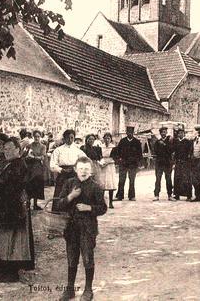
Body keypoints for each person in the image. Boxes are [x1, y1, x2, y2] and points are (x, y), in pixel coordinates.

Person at [0, 137, 35, 282]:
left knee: (14, 240)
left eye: (9, 149)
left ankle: (12, 273)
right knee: (6, 239)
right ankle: (5, 269)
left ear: (18, 150)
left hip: (15, 206)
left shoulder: (19, 164)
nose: (6, 152)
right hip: (8, 205)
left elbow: (13, 186)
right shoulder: (11, 164)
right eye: (4, 149)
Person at [57, 156, 107, 301]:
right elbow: (59, 204)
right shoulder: (69, 183)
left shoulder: (96, 187)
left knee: (87, 258)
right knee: (72, 258)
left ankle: (88, 290)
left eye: (86, 169)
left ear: (91, 171)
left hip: (88, 228)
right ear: (75, 170)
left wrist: (89, 208)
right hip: (71, 228)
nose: (83, 172)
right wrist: (71, 196)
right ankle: (70, 289)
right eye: (80, 169)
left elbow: (103, 208)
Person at [50, 129, 86, 211]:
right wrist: (61, 170)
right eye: (67, 138)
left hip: (74, 174)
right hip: (62, 174)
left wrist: (77, 169)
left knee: (74, 193)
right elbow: (52, 165)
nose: (70, 140)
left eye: (72, 138)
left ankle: (73, 213)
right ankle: (58, 212)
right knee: (60, 194)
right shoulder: (58, 150)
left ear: (74, 138)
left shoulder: (78, 150)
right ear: (64, 138)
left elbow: (85, 161)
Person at [114, 125, 143, 201]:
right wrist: (119, 160)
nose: (130, 133)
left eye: (131, 132)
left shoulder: (137, 142)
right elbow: (118, 152)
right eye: (128, 132)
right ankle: (120, 196)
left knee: (132, 180)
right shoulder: (122, 141)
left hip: (133, 164)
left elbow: (140, 153)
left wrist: (139, 163)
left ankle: (132, 196)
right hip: (123, 164)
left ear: (133, 133)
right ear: (126, 133)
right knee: (121, 180)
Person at [25, 129, 46, 210]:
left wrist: (33, 157)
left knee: (37, 185)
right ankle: (28, 204)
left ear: (40, 137)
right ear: (33, 137)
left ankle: (35, 204)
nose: (37, 138)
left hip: (37, 169)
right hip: (30, 168)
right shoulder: (29, 145)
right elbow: (25, 156)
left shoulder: (43, 146)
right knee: (29, 185)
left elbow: (42, 157)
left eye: (38, 136)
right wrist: (28, 157)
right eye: (35, 136)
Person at [97, 132, 118, 208]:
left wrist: (108, 162)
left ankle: (111, 202)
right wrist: (100, 163)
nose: (107, 140)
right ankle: (101, 202)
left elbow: (115, 158)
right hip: (102, 166)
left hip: (110, 166)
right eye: (105, 138)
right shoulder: (100, 147)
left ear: (110, 139)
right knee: (102, 184)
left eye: (108, 138)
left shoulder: (113, 147)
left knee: (110, 184)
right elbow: (99, 156)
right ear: (103, 139)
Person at [153, 127, 174, 201]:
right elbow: (155, 152)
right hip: (159, 163)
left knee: (168, 179)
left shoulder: (170, 141)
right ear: (160, 133)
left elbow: (171, 150)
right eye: (162, 132)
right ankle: (156, 195)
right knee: (158, 179)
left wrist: (164, 145)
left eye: (165, 132)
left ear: (166, 133)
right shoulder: (157, 142)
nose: (163, 133)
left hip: (167, 163)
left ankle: (170, 195)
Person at [172, 127, 193, 201]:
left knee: (186, 179)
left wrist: (188, 161)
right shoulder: (176, 142)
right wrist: (174, 162)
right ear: (177, 134)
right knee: (177, 179)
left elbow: (190, 152)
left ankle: (188, 195)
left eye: (182, 133)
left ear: (184, 134)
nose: (180, 134)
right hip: (178, 162)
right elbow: (173, 152)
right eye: (179, 133)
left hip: (185, 163)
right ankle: (177, 195)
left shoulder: (187, 142)